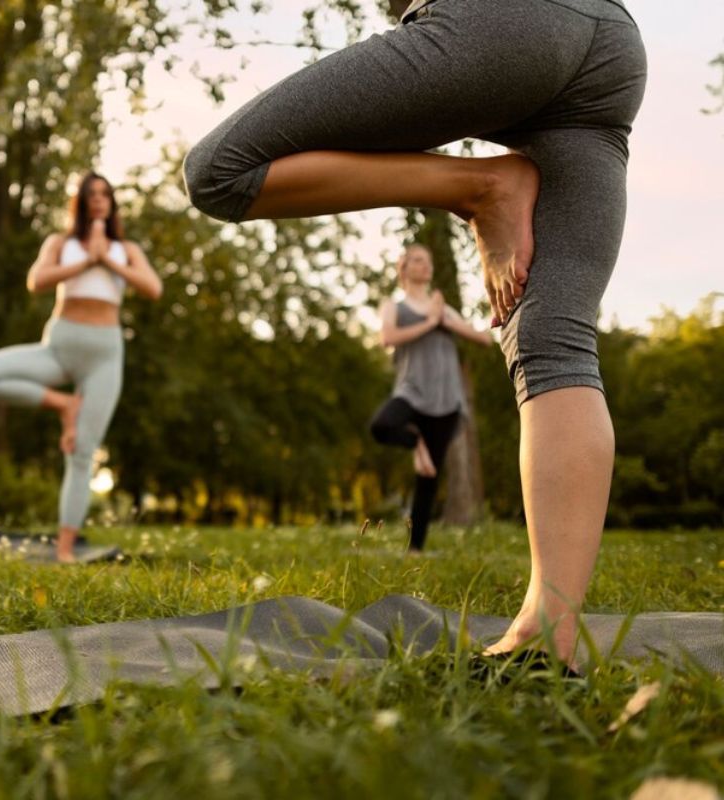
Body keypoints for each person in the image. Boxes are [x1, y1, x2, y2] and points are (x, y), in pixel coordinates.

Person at [182, 0, 646, 664]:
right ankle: (549, 636)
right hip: (610, 45)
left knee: (219, 171)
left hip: (502, 25)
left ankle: (477, 187)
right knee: (554, 339)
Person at [0, 173, 162, 563]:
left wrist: (107, 259)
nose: (99, 200)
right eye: (91, 195)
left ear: (112, 202)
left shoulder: (128, 250)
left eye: (105, 193)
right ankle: (61, 403)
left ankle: (66, 552)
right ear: (81, 203)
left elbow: (152, 288)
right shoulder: (61, 243)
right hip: (58, 347)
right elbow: (37, 281)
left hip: (104, 355)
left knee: (82, 453)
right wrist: (88, 258)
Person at [370, 244, 493, 552]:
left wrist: (445, 321)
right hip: (411, 392)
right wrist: (429, 322)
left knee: (428, 477)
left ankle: (415, 550)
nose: (425, 265)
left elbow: (485, 339)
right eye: (418, 260)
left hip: (446, 400)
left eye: (428, 261)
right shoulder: (395, 306)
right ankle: (415, 442)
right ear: (404, 268)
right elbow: (387, 338)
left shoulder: (444, 309)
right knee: (382, 426)